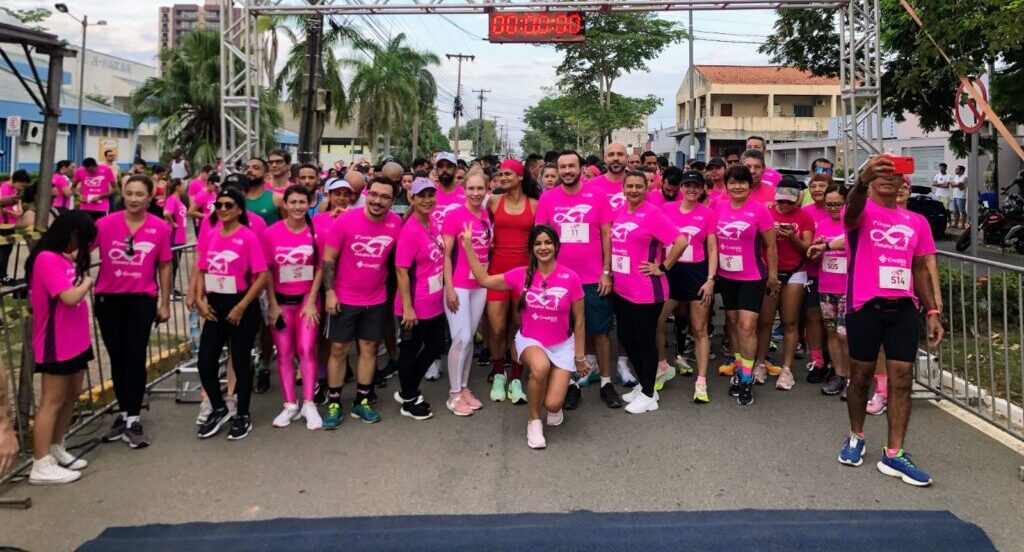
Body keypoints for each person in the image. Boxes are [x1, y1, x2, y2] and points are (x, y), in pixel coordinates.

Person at [837, 155, 943, 487]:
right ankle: (856, 435)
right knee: (861, 377)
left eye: (893, 176)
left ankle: (894, 453)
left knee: (901, 379)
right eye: (879, 175)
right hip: (865, 307)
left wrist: (932, 311)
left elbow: (920, 269)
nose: (887, 179)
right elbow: (852, 210)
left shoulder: (916, 222)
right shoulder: (859, 212)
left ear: (902, 184)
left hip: (903, 310)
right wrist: (860, 181)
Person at [463, 225, 587, 448]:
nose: (543, 247)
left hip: (562, 344)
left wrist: (579, 355)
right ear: (532, 249)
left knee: (553, 404)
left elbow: (579, 320)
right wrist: (469, 247)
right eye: (538, 243)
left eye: (548, 242)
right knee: (539, 368)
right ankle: (534, 421)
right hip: (531, 340)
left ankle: (551, 399)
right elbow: (484, 280)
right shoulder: (520, 274)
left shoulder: (571, 277)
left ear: (557, 246)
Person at [535, 151, 621, 410]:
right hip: (560, 279)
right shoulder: (548, 198)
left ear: (581, 168)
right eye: (563, 167)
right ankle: (570, 383)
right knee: (564, 333)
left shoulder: (597, 195)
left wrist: (607, 271)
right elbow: (540, 238)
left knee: (601, 332)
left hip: (593, 278)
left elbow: (607, 234)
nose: (567, 171)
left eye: (572, 166)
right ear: (557, 171)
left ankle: (606, 383)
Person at [94, 175, 173, 449]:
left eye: (140, 194)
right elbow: (78, 250)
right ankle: (124, 413)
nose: (133, 199)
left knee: (135, 355)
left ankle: (134, 418)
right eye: (129, 193)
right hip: (108, 300)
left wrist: (164, 303)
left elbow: (164, 265)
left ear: (150, 197)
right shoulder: (104, 224)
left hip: (141, 300)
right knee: (117, 357)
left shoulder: (160, 227)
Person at [321, 177, 402, 427]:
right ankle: (334, 402)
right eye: (374, 195)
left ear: (393, 199)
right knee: (338, 350)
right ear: (367, 194)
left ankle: (362, 401)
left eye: (385, 197)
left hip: (376, 298)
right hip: (343, 298)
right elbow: (328, 260)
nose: (378, 201)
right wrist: (330, 293)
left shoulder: (396, 223)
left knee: (368, 349)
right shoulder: (345, 220)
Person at [25, 211, 97, 484]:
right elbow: (68, 296)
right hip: (56, 342)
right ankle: (40, 462)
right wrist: (88, 282)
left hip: (76, 340)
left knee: (71, 395)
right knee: (51, 401)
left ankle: (57, 446)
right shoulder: (46, 259)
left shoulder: (65, 258)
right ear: (71, 235)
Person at [611, 171, 689, 414]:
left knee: (644, 341)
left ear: (647, 188)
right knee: (626, 336)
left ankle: (648, 393)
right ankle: (644, 384)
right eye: (629, 186)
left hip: (646, 290)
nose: (633, 190)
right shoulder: (622, 211)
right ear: (623, 188)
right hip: (622, 288)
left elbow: (681, 241)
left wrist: (662, 267)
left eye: (638, 186)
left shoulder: (653, 213)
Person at [195, 187, 269, 440]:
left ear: (239, 209)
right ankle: (218, 407)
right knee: (205, 361)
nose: (223, 209)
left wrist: (241, 306)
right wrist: (198, 299)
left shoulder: (248, 237)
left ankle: (243, 414)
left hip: (242, 304)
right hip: (215, 304)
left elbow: (262, 275)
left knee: (240, 362)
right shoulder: (211, 234)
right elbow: (202, 268)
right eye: (219, 205)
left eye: (229, 205)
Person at [714, 165, 779, 406]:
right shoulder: (718, 206)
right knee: (731, 322)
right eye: (732, 182)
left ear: (749, 185)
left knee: (747, 325)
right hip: (726, 275)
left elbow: (771, 246)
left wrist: (772, 276)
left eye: (742, 182)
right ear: (727, 185)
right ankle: (740, 366)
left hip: (752, 276)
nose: (737, 186)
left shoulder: (760, 210)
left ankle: (746, 377)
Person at [263, 185, 323, 430]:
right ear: (285, 205)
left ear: (309, 204)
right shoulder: (271, 233)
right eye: (293, 202)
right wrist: (272, 305)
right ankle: (290, 404)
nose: (298, 207)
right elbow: (266, 271)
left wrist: (311, 302)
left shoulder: (315, 232)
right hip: (280, 302)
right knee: (284, 353)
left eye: (302, 202)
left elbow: (321, 267)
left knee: (307, 348)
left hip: (307, 300)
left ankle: (309, 402)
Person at [655, 170, 718, 403]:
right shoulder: (667, 209)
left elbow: (712, 249)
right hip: (671, 272)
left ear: (703, 189)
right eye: (687, 185)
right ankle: (662, 365)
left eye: (696, 186)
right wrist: (657, 267)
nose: (691, 189)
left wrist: (710, 279)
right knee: (657, 321)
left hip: (697, 274)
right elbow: (657, 240)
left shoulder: (708, 214)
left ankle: (701, 381)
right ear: (680, 188)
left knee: (700, 328)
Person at [485, 159, 539, 405]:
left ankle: (516, 377)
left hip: (524, 275)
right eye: (500, 174)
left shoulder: (535, 205)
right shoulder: (493, 201)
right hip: (497, 274)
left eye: (508, 173)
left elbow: (542, 241)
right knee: (496, 328)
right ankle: (498, 373)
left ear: (520, 177)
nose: (503, 177)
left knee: (519, 327)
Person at [393, 178, 446, 420]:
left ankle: (407, 388)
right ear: (411, 199)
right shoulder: (410, 231)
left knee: (435, 346)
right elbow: (401, 270)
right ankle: (410, 398)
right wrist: (407, 308)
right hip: (415, 304)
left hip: (434, 301)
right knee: (409, 351)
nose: (427, 200)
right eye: (421, 196)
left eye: (430, 195)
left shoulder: (433, 222)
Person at [752, 177, 813, 390]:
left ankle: (786, 368)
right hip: (770, 272)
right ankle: (760, 362)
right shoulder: (766, 212)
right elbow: (755, 240)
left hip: (795, 272)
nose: (784, 205)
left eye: (789, 201)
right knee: (765, 321)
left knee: (790, 322)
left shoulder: (804, 217)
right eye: (781, 201)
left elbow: (807, 249)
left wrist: (791, 237)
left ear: (797, 199)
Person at [441, 173, 491, 416]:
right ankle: (453, 394)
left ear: (486, 189)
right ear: (464, 190)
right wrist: (449, 288)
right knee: (460, 339)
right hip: (459, 285)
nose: (475, 193)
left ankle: (463, 387)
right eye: (471, 188)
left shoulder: (484, 215)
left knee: (470, 338)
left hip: (479, 286)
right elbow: (447, 255)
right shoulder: (454, 214)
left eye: (480, 188)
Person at [806, 185, 850, 399]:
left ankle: (852, 378)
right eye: (829, 204)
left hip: (849, 288)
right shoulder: (822, 224)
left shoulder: (853, 225)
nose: (833, 209)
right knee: (831, 332)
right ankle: (839, 375)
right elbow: (815, 256)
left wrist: (829, 245)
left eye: (838, 204)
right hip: (826, 286)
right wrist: (816, 248)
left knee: (845, 335)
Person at [802, 173, 835, 385]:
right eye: (813, 186)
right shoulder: (805, 212)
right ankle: (817, 360)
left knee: (832, 324)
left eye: (822, 185)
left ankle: (834, 361)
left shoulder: (840, 211)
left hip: (836, 276)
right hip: (812, 272)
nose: (817, 189)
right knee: (813, 318)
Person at [0, 170, 29, 284]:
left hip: (11, 224)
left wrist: (17, 210)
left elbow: (18, 205)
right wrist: (12, 212)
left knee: (7, 250)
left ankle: (3, 275)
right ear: (16, 180)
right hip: (2, 223)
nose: (21, 188)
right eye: (21, 185)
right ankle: (2, 276)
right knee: (4, 250)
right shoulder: (3, 188)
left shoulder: (15, 190)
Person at [244, 157, 284, 225]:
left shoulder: (278, 199)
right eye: (247, 168)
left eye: (256, 168)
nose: (249, 170)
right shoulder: (237, 198)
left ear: (266, 175)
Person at [951, 165, 967, 230]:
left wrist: (956, 185)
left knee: (962, 211)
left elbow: (958, 184)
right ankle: (956, 224)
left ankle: (963, 225)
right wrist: (956, 185)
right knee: (955, 211)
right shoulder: (956, 177)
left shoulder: (964, 177)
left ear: (961, 170)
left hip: (961, 196)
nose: (956, 170)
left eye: (957, 169)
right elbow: (952, 184)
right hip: (955, 195)